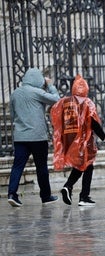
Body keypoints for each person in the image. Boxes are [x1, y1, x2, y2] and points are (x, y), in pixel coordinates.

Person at [50, 74, 105, 206]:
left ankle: (68, 187)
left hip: (69, 140)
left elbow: (57, 118)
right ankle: (83, 196)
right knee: (88, 166)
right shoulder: (87, 103)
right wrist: (104, 136)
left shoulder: (65, 102)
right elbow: (93, 122)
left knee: (80, 165)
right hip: (85, 140)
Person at [7, 68, 60, 207]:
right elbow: (56, 99)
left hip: (20, 137)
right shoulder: (37, 92)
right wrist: (50, 85)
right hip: (37, 137)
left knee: (17, 166)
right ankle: (46, 196)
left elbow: (13, 115)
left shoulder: (15, 94)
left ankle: (12, 194)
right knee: (41, 167)